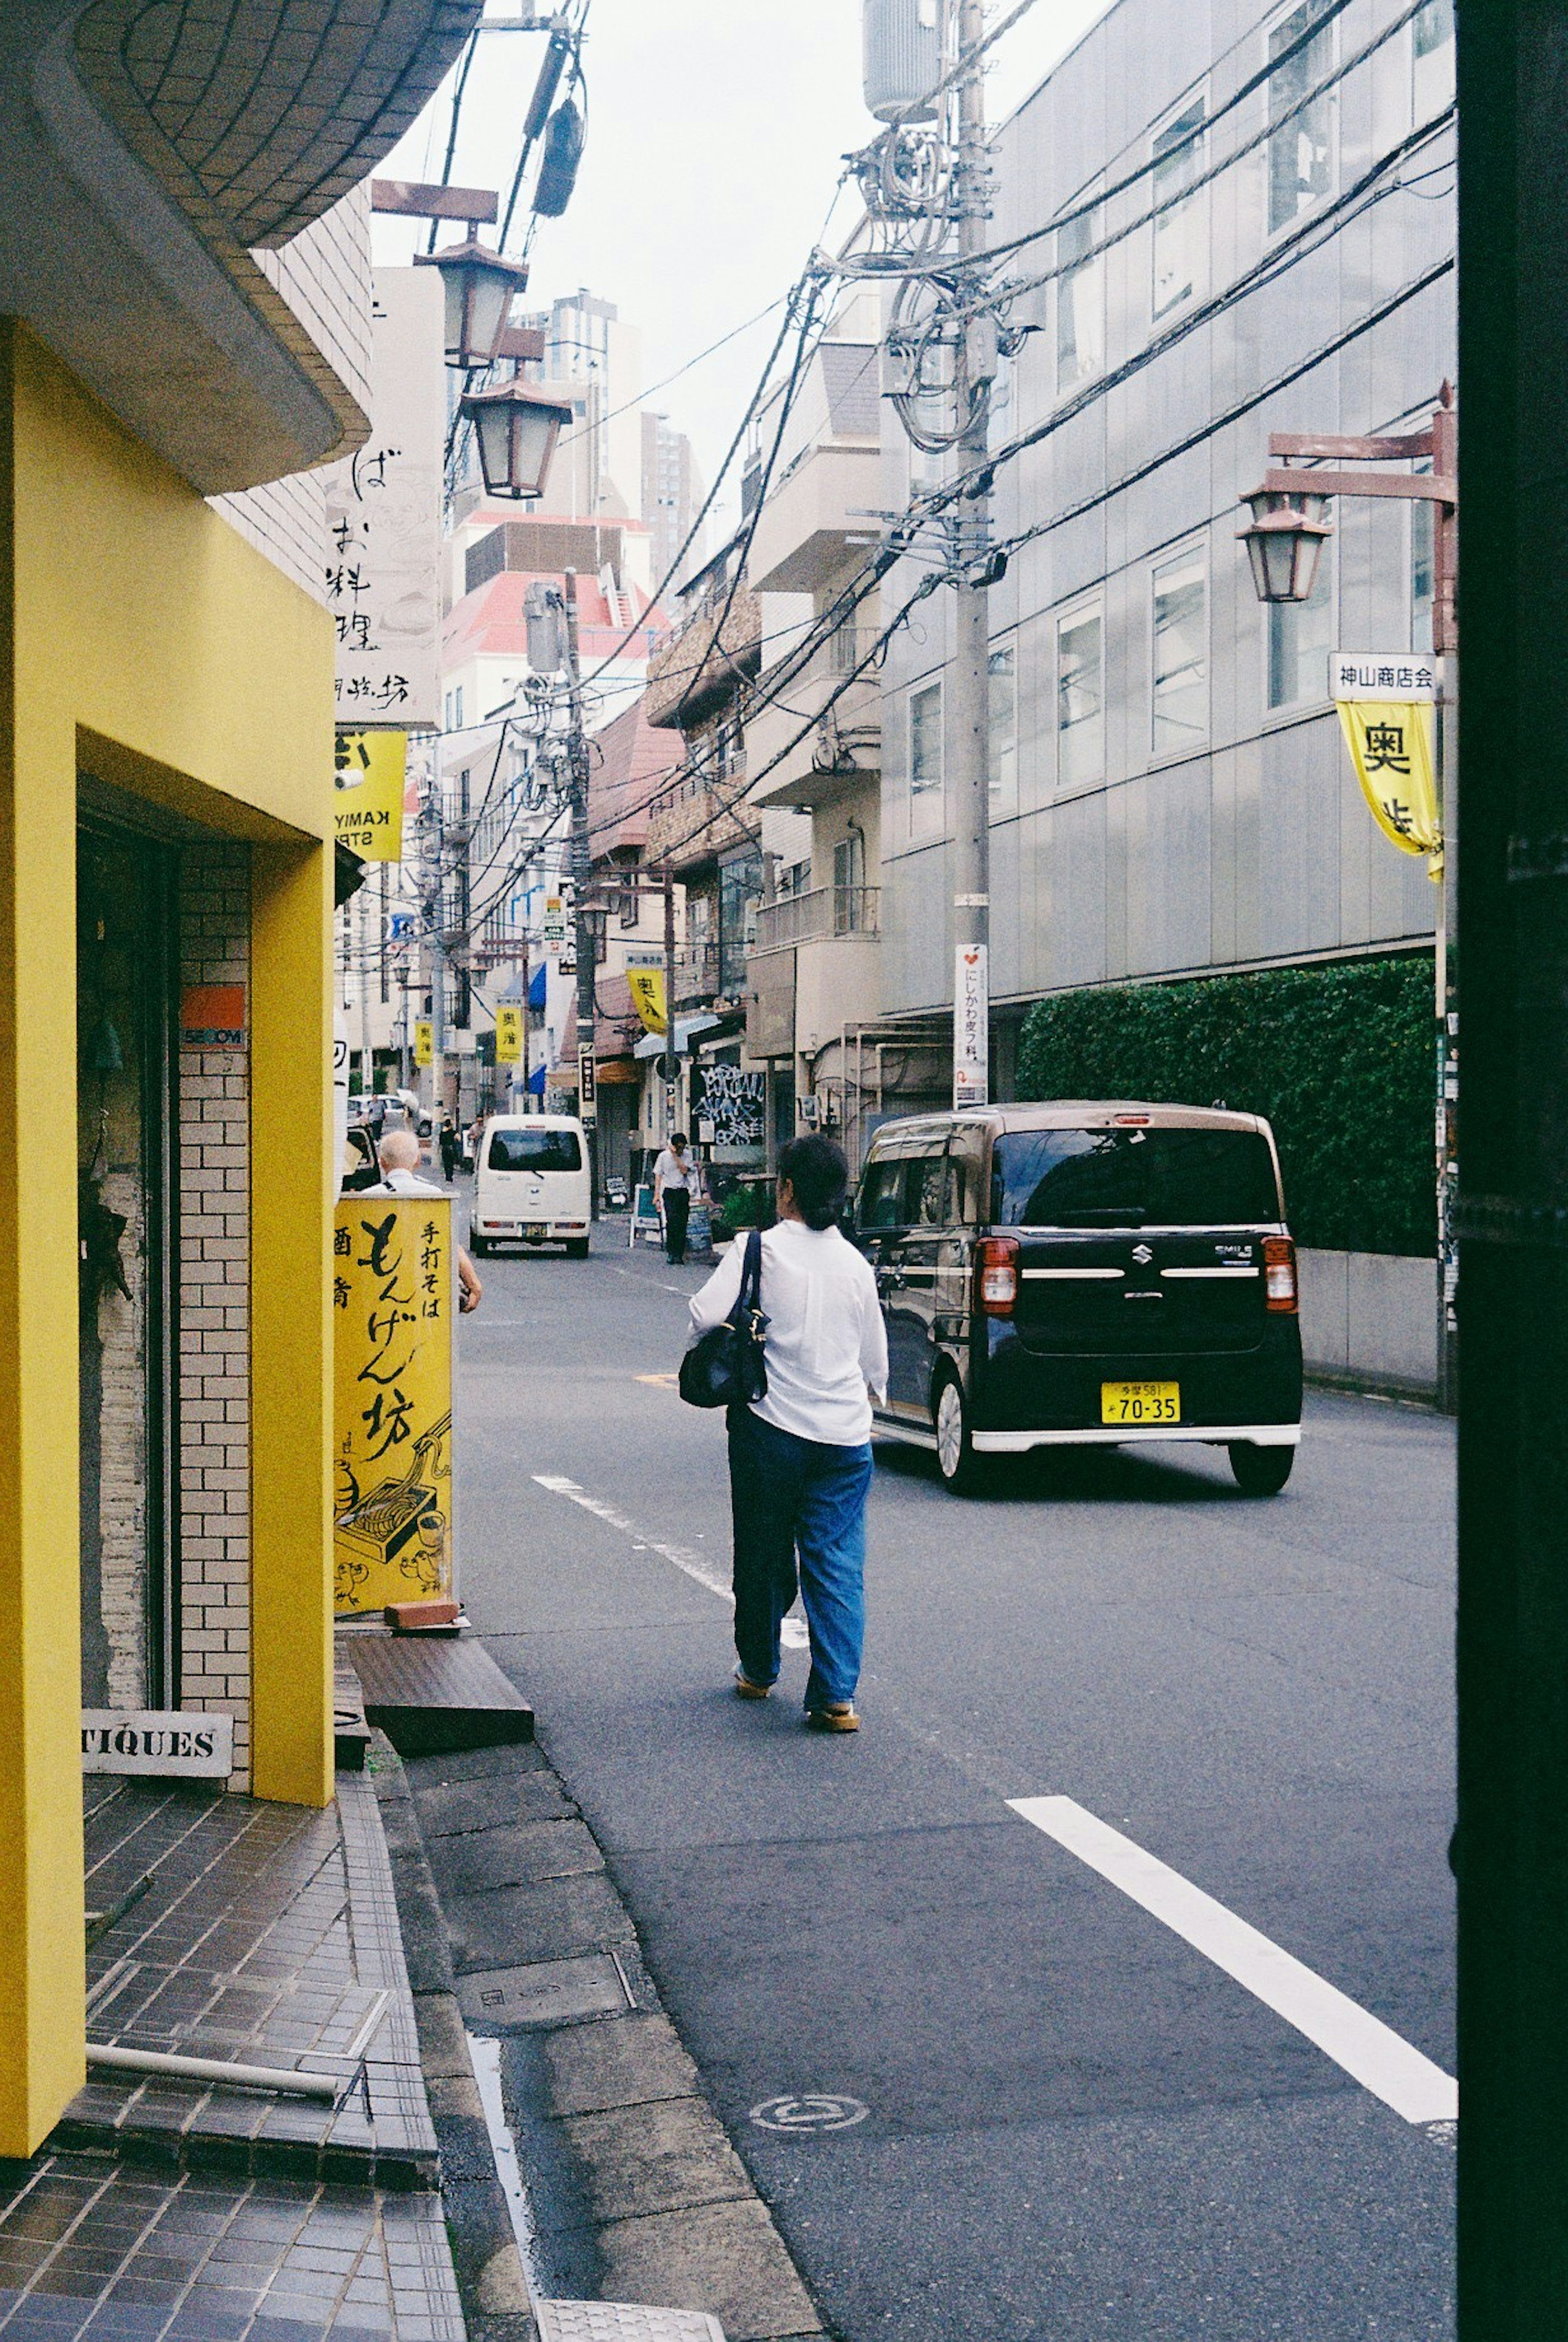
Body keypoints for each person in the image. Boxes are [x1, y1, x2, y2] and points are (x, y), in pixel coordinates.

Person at [688, 1134, 886, 1732]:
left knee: (762, 1548)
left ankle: (759, 1668)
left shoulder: (760, 1250)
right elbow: (874, 1361)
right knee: (837, 1561)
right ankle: (836, 1696)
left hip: (770, 1429)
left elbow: (702, 1313)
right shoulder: (855, 1262)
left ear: (788, 1190)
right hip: (845, 1439)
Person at [372, 1130, 483, 1314]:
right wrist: (473, 1284)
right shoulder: (434, 1197)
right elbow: (450, 1243)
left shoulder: (367, 1199)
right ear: (417, 1161)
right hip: (423, 1288)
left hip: (379, 1291)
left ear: (382, 1162)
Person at [653, 1131, 697, 1264]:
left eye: (682, 1147)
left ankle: (680, 1253)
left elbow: (684, 1170)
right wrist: (657, 1195)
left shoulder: (687, 1155)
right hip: (669, 1191)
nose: (680, 1150)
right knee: (672, 1221)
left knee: (683, 1222)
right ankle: (672, 1252)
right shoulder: (663, 1157)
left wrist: (677, 1157)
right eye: (678, 1147)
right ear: (672, 1146)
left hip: (682, 1191)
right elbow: (658, 1175)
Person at [439, 1114, 459, 1182]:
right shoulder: (453, 1132)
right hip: (451, 1149)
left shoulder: (442, 1133)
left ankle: (447, 1176)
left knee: (446, 1163)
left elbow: (440, 1142)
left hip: (444, 1149)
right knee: (451, 1163)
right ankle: (450, 1176)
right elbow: (459, 1139)